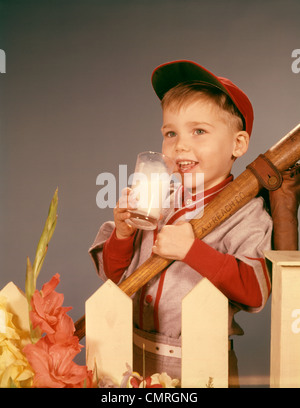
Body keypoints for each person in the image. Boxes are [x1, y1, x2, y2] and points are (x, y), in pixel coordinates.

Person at [89, 60, 273, 387]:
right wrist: (122, 234)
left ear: (238, 144)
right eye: (170, 133)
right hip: (130, 355)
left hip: (199, 365)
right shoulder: (155, 197)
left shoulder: (248, 214)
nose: (180, 145)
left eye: (198, 131)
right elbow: (115, 278)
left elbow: (255, 292)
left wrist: (191, 250)